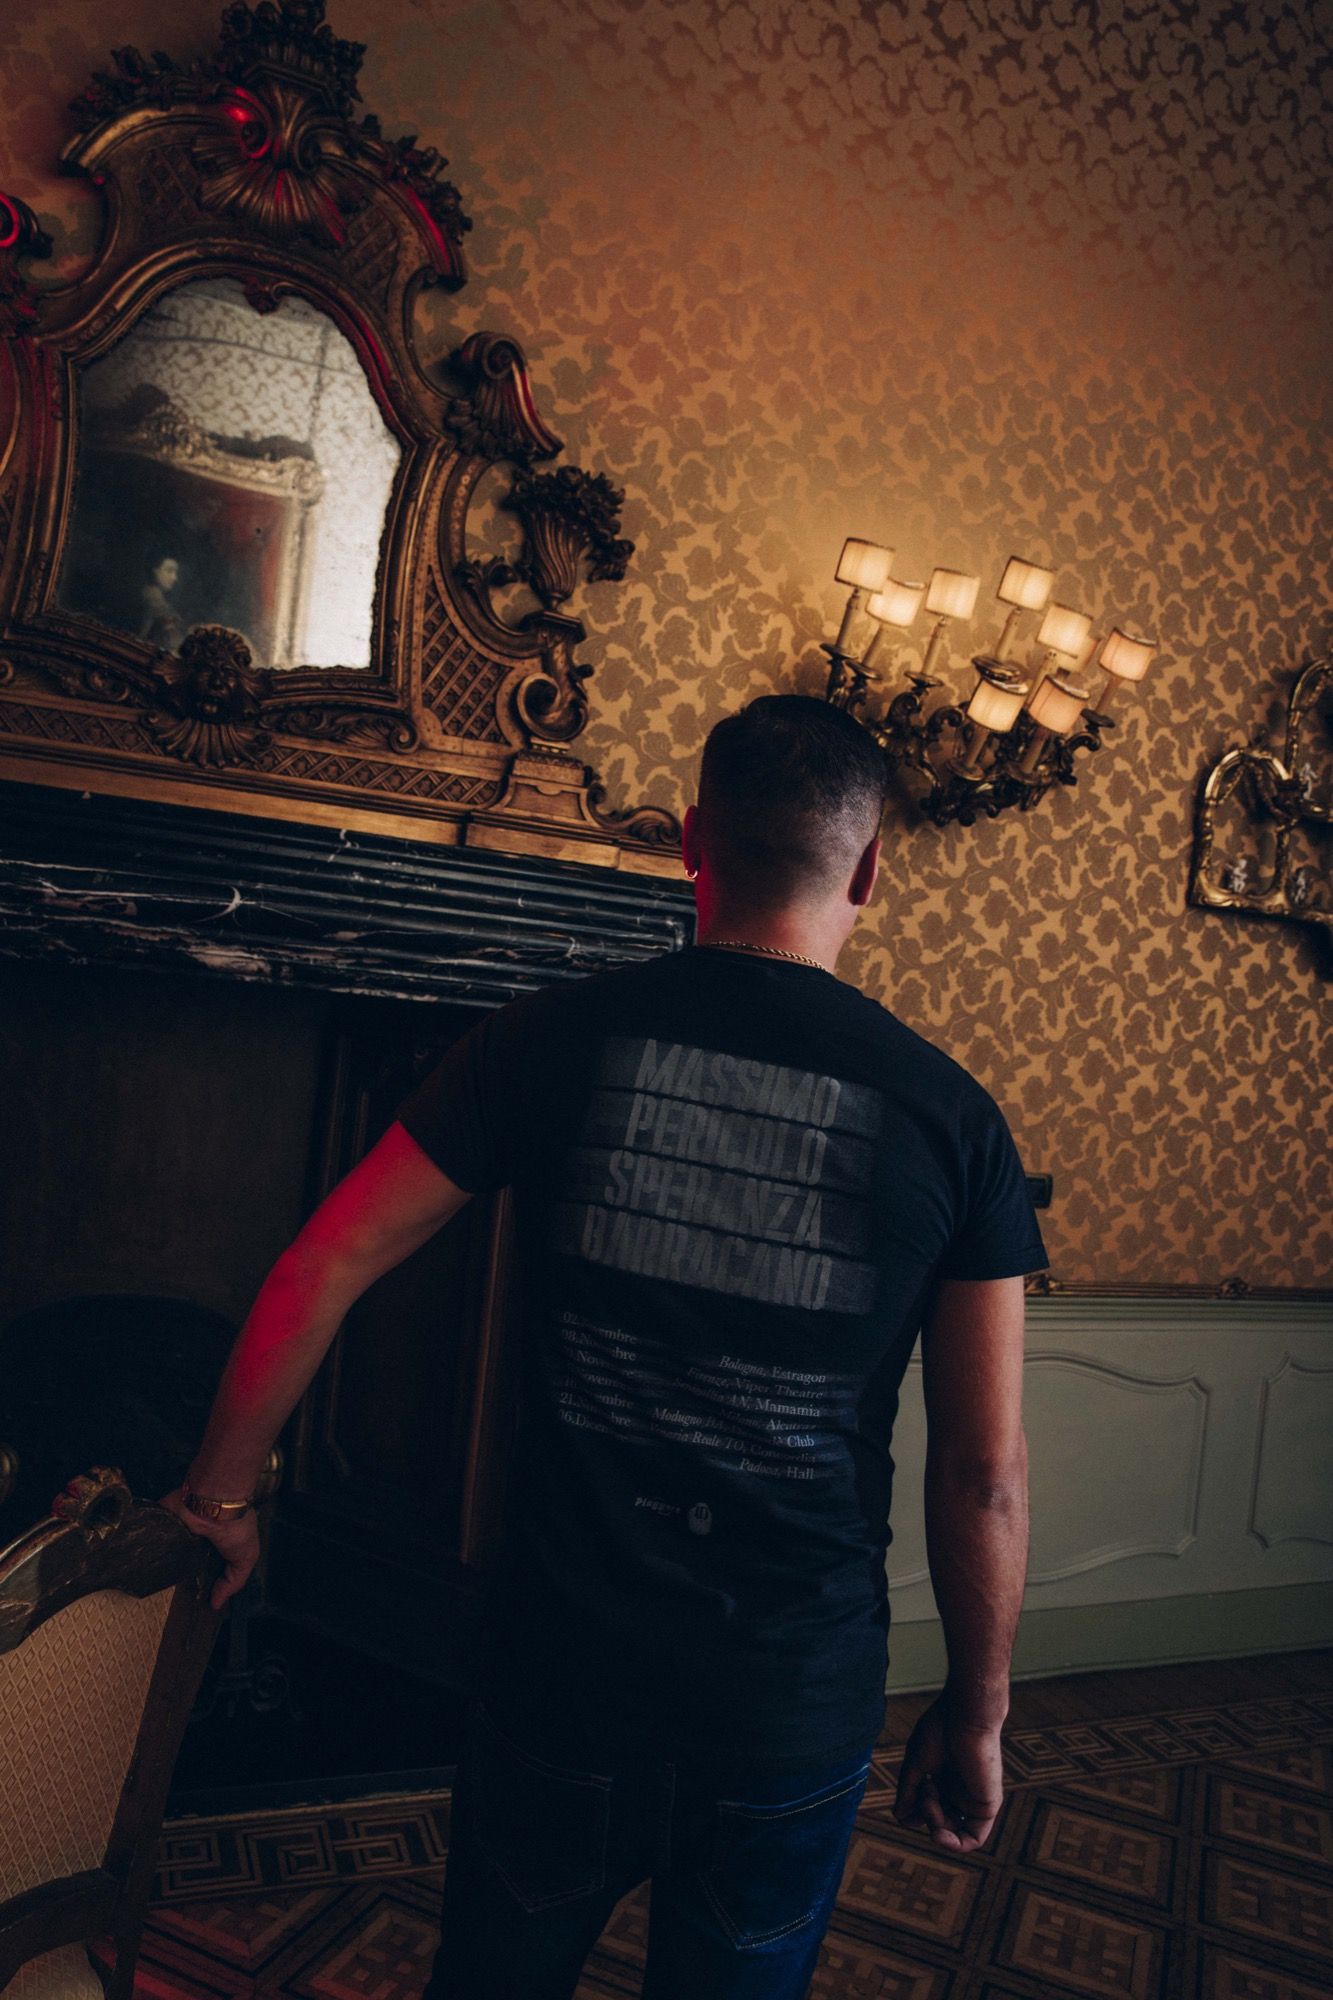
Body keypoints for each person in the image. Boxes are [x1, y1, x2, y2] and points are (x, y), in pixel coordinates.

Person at [165, 693, 1046, 1999]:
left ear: (691, 843)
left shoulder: (546, 1038)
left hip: (560, 1672)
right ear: (869, 868)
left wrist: (222, 1499)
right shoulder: (956, 1121)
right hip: (786, 1696)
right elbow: (984, 1474)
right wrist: (976, 1713)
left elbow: (326, 1260)